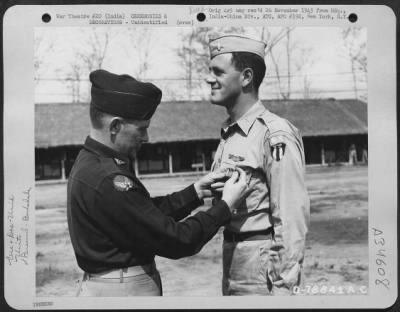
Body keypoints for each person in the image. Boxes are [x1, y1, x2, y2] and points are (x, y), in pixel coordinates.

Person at [67, 69, 250, 296]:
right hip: (124, 292)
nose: (146, 138)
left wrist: (195, 192)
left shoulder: (90, 162)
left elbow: (142, 214)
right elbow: (177, 240)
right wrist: (225, 206)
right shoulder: (110, 179)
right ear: (115, 126)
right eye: (141, 129)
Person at [206, 34, 310, 295]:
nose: (209, 79)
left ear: (246, 77)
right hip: (233, 258)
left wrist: (283, 285)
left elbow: (290, 216)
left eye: (218, 72)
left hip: (262, 266)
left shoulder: (274, 134)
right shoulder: (231, 134)